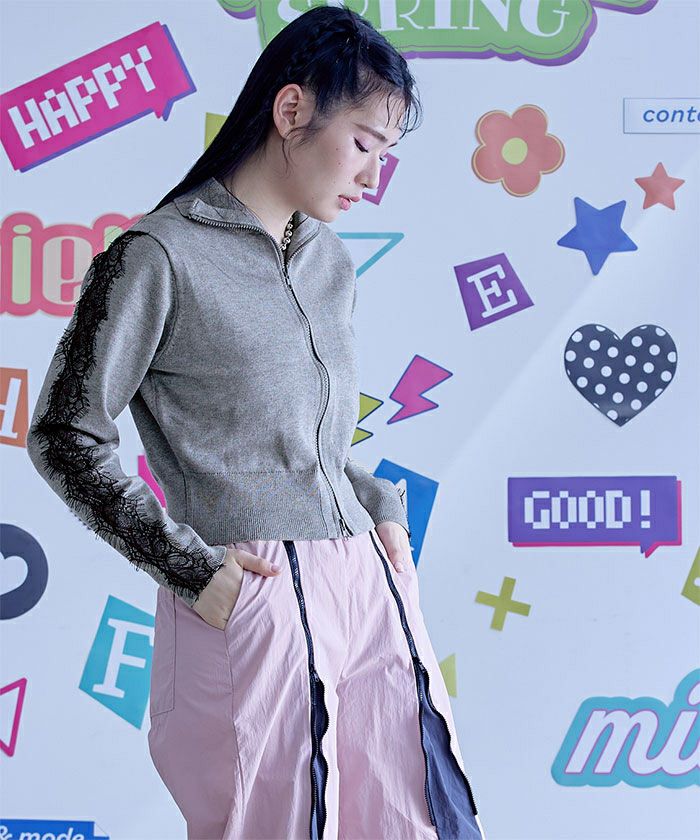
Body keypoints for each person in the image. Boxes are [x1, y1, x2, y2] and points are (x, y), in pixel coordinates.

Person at [26, 6, 486, 840]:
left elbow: (303, 442)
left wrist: (379, 509)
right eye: (363, 143)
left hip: (365, 585)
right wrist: (193, 570)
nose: (373, 175)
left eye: (385, 154)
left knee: (413, 819)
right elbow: (65, 434)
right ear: (291, 110)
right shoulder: (158, 256)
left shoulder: (329, 261)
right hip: (253, 592)